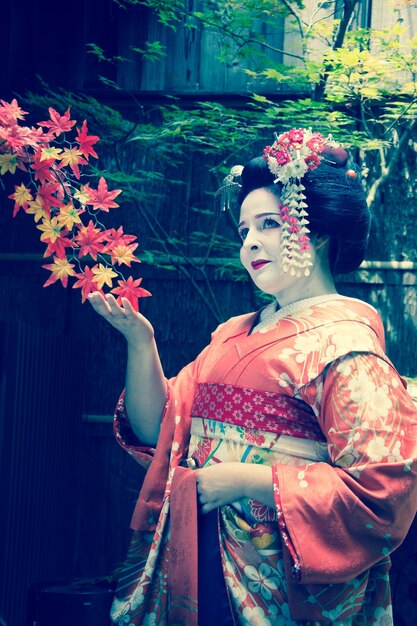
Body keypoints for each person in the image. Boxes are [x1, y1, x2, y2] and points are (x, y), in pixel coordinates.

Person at [88, 127, 417, 626]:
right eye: (244, 230)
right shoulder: (232, 335)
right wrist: (141, 343)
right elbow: (161, 430)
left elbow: (381, 489)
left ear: (319, 231)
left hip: (277, 572)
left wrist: (245, 479)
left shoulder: (348, 348)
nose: (251, 243)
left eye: (268, 223)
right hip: (199, 551)